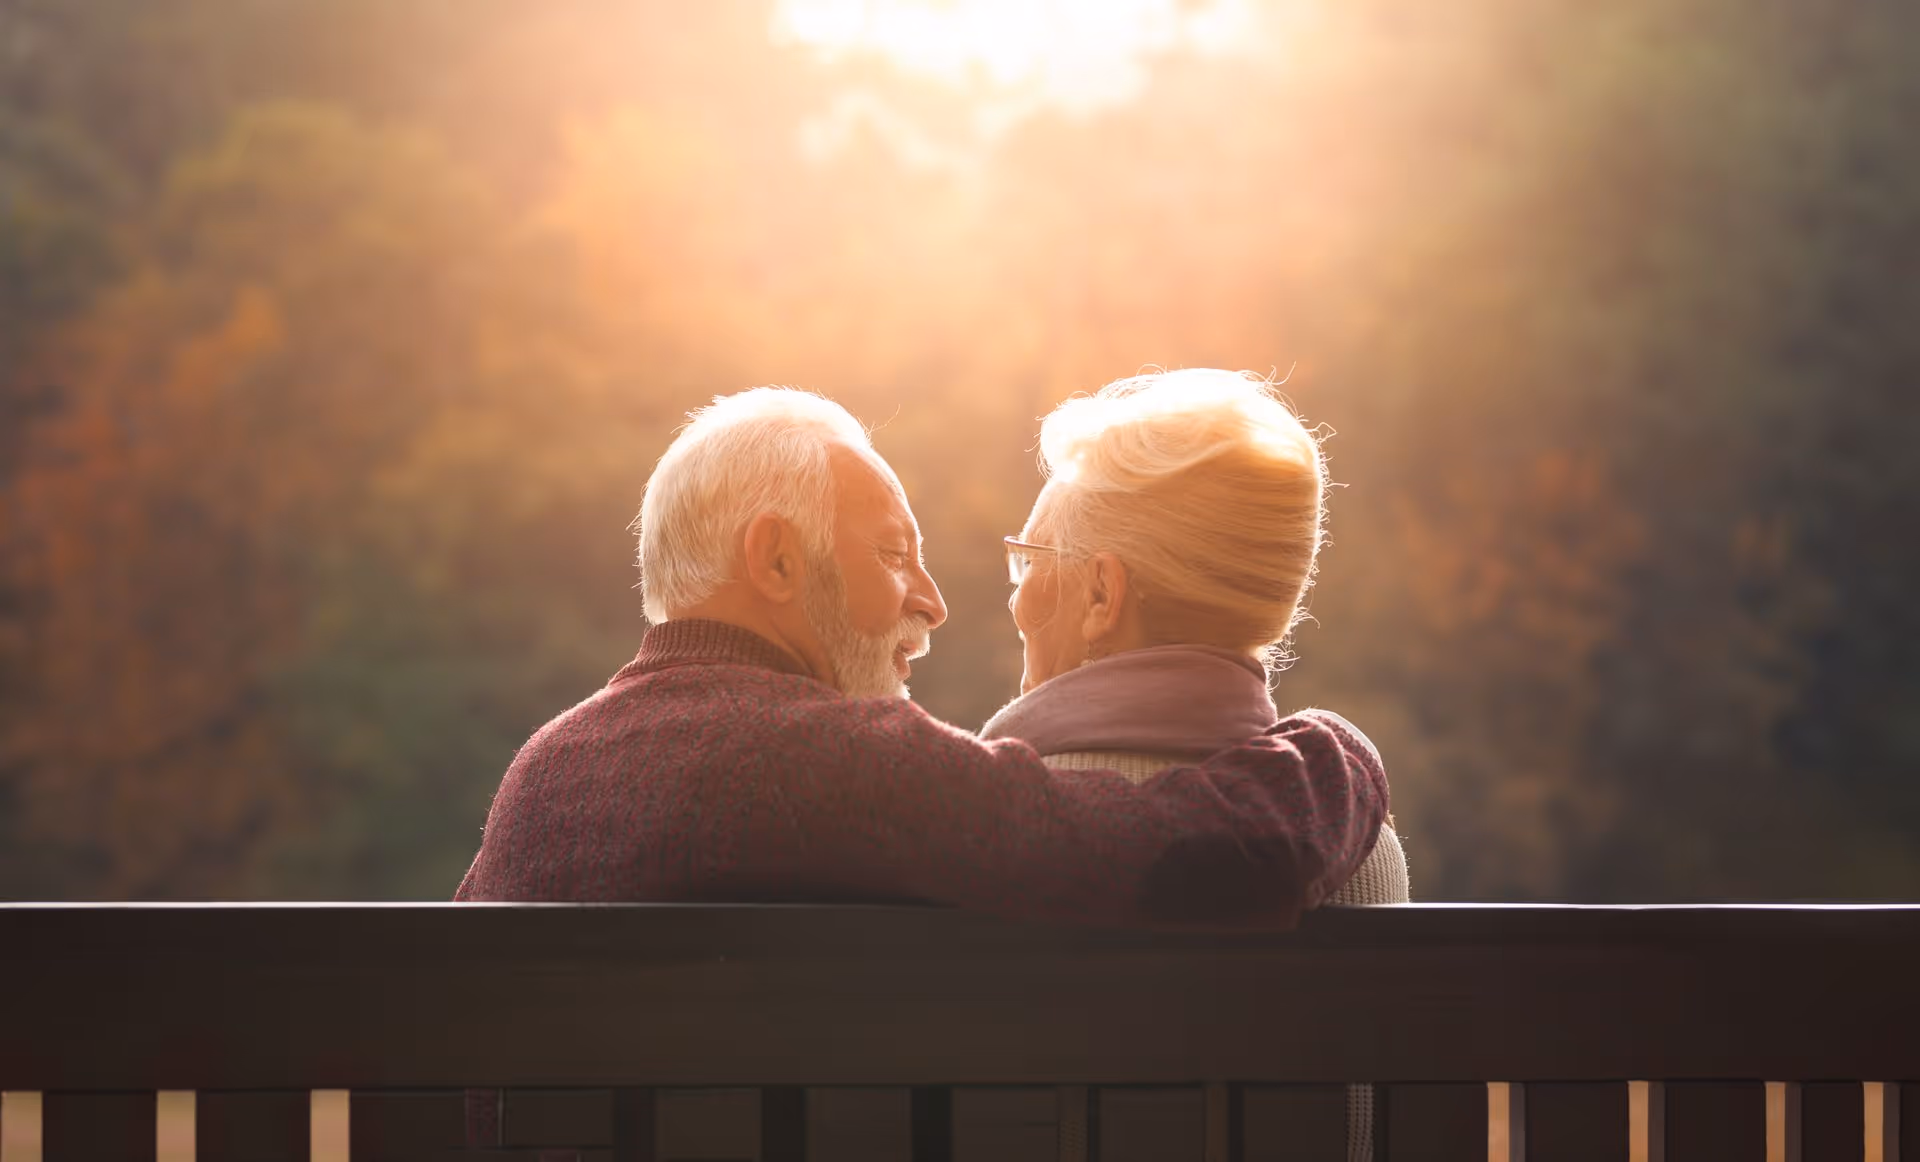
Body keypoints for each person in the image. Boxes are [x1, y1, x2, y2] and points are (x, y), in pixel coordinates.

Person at [455, 386, 1389, 930]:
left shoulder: (540, 774)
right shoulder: (823, 763)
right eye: (895, 555)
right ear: (777, 560)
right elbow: (1198, 858)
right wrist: (1338, 754)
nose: (934, 601)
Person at [980, 367, 1407, 1161]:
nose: (1015, 598)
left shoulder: (998, 827)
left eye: (1030, 560)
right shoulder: (1366, 848)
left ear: (1103, 595)